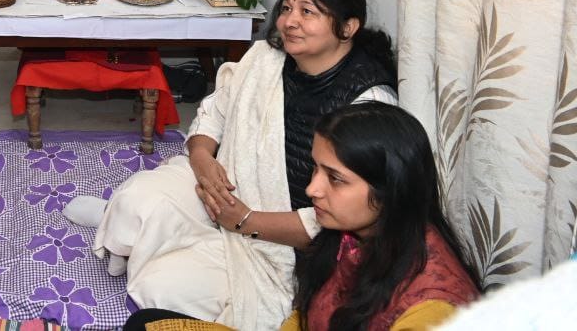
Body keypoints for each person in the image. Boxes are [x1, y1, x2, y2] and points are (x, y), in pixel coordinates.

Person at [65, 0, 398, 329]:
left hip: (280, 240)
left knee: (161, 287)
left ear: (348, 27)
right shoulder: (267, 57)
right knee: (134, 200)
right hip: (223, 184)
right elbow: (215, 111)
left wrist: (244, 220)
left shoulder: (368, 104)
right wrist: (202, 159)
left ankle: (144, 239)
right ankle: (126, 225)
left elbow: (349, 215)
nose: (290, 21)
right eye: (287, 8)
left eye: (308, 12)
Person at [123, 102, 480, 330]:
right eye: (316, 169)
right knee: (147, 324)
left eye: (335, 179)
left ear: (391, 189)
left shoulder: (433, 310)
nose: (312, 189)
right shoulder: (353, 235)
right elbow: (305, 315)